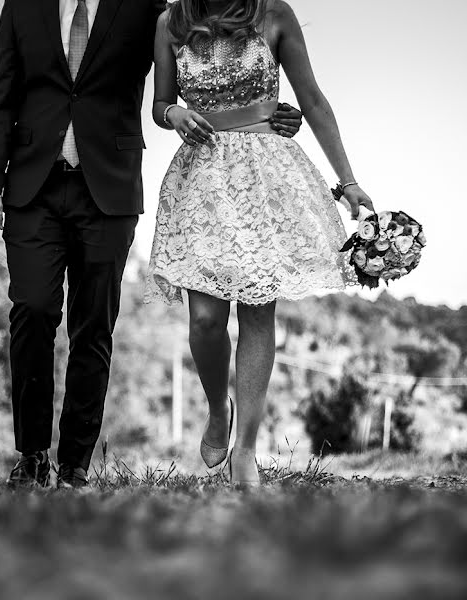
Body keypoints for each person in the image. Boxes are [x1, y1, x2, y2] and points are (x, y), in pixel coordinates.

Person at [0, 0, 304, 488]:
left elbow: (210, 34)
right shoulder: (23, 5)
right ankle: (32, 454)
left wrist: (258, 112)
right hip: (30, 187)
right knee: (33, 309)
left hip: (109, 189)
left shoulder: (146, 7)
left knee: (93, 325)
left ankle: (75, 464)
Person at [145, 0, 374, 486]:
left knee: (256, 312)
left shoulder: (273, 14)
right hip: (202, 180)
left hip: (265, 178)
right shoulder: (171, 22)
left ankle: (245, 449)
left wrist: (348, 180)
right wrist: (175, 113)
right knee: (206, 319)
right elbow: (158, 104)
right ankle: (216, 411)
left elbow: (311, 99)